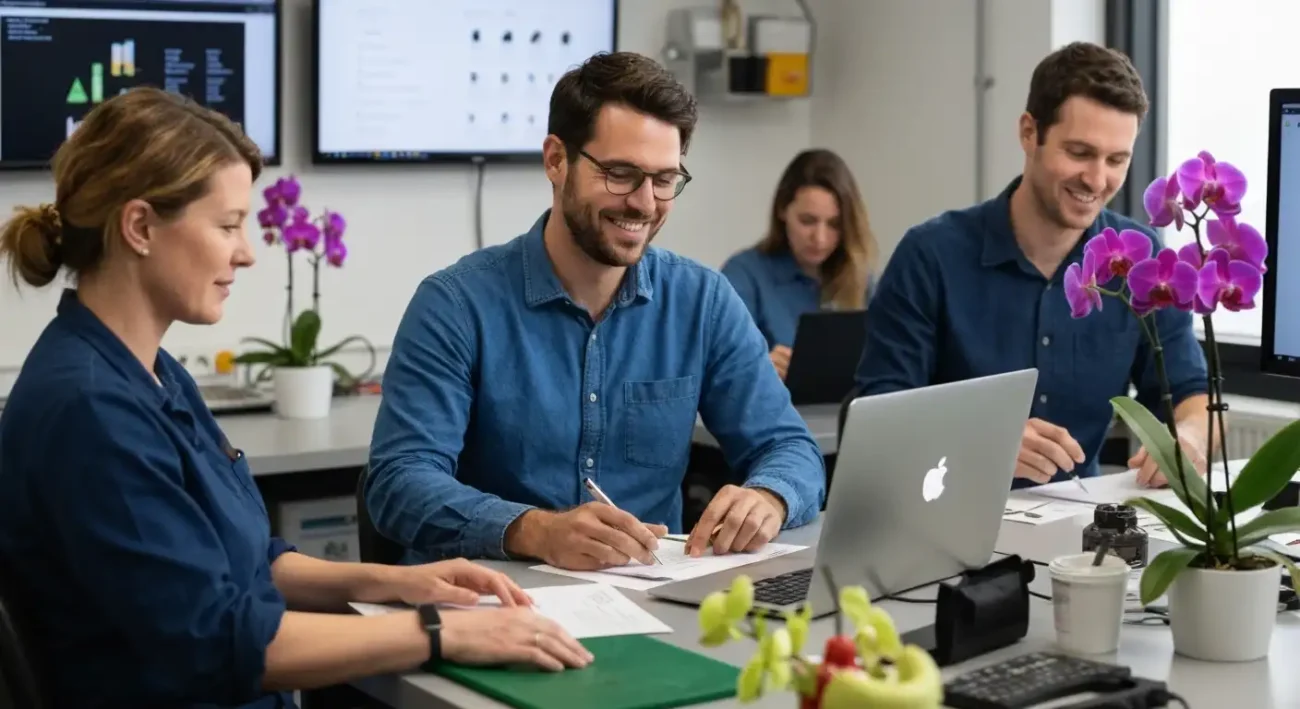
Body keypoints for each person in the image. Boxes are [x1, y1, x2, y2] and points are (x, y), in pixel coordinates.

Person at [0, 88, 590, 709]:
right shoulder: (91, 409)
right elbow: (217, 640)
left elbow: (248, 562)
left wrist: (397, 582)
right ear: (140, 226)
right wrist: (443, 633)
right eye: (227, 225)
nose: (246, 252)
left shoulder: (149, 373)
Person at [367, 52, 825, 572]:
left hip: (654, 604)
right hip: (492, 605)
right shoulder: (455, 305)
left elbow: (791, 448)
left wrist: (769, 496)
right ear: (556, 161)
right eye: (621, 174)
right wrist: (535, 530)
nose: (645, 204)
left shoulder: (703, 301)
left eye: (664, 179)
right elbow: (398, 482)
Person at [852, 42, 1210, 489]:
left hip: (1080, 531)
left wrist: (1190, 438)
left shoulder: (1145, 261)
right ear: (1028, 133)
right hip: (946, 512)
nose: (1097, 180)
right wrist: (980, 439)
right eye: (1079, 153)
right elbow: (876, 416)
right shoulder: (930, 256)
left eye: (1116, 159)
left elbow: (1191, 393)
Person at [721, 148, 879, 379]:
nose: (820, 238)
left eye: (834, 224)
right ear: (782, 210)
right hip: (773, 409)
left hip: (848, 411)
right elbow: (718, 365)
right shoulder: (743, 275)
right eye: (808, 221)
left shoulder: (862, 280)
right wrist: (756, 368)